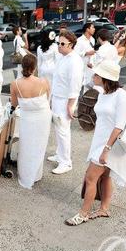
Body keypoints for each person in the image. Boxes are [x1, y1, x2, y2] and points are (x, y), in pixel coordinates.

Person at [65, 60, 126, 226]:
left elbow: (119, 126)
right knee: (104, 177)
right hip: (100, 141)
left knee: (90, 178)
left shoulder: (122, 96)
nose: (93, 76)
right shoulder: (103, 93)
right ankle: (104, 208)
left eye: (96, 74)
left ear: (105, 78)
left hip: (111, 144)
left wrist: (106, 150)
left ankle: (83, 213)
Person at [11, 54, 51, 189]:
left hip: (27, 118)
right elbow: (47, 99)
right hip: (43, 118)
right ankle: (36, 174)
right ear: (34, 67)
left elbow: (15, 103)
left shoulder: (15, 84)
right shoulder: (44, 82)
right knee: (39, 144)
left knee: (26, 145)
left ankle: (25, 174)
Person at [48, 31, 83, 175]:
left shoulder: (74, 60)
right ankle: (59, 153)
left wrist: (70, 105)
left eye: (62, 44)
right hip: (57, 97)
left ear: (71, 45)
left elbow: (75, 85)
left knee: (63, 130)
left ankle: (66, 161)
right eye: (58, 43)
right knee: (58, 128)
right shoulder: (63, 57)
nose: (59, 46)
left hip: (65, 100)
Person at [74, 22, 96, 90]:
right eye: (92, 27)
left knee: (89, 87)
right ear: (87, 29)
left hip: (90, 66)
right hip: (82, 67)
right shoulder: (79, 41)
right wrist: (86, 53)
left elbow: (93, 53)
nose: (94, 29)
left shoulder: (93, 39)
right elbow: (75, 53)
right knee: (79, 87)